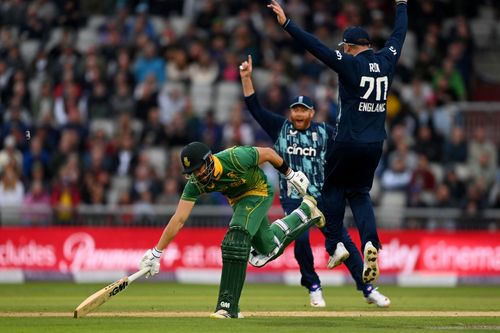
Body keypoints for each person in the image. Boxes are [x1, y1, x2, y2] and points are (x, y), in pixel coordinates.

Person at [267, 0, 408, 284]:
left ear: (353, 47)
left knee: (330, 189)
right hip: (374, 145)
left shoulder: (351, 64)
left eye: (345, 47)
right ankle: (371, 242)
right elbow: (399, 34)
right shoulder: (387, 59)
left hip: (347, 141)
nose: (343, 51)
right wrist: (402, 5)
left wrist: (287, 24)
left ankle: (335, 245)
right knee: (359, 194)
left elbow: (316, 47)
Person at [240, 55, 390, 307]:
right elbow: (255, 108)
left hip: (322, 196)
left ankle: (366, 288)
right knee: (300, 241)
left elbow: (348, 145)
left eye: (303, 110)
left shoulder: (325, 132)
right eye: (295, 109)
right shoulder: (281, 128)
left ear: (312, 113)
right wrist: (246, 78)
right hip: (294, 197)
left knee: (344, 241)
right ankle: (313, 285)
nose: (298, 113)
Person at [139, 142, 325, 319]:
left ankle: (227, 307)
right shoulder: (196, 183)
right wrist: (157, 252)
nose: (198, 174)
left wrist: (290, 175)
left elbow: (268, 153)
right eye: (192, 172)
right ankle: (307, 209)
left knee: (235, 239)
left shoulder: (236, 157)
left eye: (200, 168)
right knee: (268, 248)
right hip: (238, 202)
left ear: (209, 159)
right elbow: (179, 219)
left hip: (259, 192)